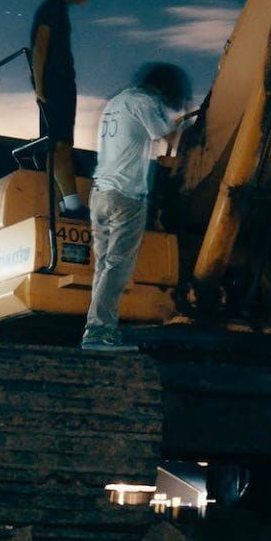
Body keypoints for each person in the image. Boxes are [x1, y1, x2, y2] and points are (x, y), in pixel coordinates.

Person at [81, 62, 191, 353]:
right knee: (118, 266)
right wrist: (189, 124)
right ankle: (99, 331)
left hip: (100, 194)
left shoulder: (118, 102)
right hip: (126, 197)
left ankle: (97, 328)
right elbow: (172, 137)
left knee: (104, 267)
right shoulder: (146, 102)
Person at [30, 0, 98, 218]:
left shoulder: (56, 9)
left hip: (54, 84)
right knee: (62, 144)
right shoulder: (54, 8)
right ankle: (71, 204)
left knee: (54, 144)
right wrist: (40, 87)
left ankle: (61, 203)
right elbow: (40, 45)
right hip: (57, 84)